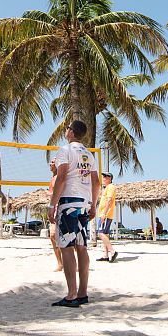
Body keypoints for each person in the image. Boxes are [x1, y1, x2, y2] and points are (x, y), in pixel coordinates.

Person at [48, 120, 99, 307]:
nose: (66, 130)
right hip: (84, 203)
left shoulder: (65, 150)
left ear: (71, 132)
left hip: (69, 201)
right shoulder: (89, 155)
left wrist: (52, 205)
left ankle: (71, 295)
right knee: (81, 247)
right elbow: (96, 183)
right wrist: (93, 205)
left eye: (68, 128)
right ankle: (83, 293)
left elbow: (61, 178)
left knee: (67, 247)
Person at [95, 172, 117, 262]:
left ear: (110, 178)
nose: (103, 178)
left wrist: (104, 213)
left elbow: (109, 200)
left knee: (101, 233)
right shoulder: (107, 188)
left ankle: (112, 251)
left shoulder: (111, 187)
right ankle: (105, 255)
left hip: (106, 215)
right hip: (105, 214)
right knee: (106, 234)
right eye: (103, 176)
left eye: (106, 176)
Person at [47, 158, 63, 272]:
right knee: (53, 236)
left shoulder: (59, 177)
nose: (50, 164)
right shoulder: (53, 178)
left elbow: (58, 193)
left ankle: (70, 262)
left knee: (62, 237)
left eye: (52, 162)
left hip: (60, 208)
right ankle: (60, 263)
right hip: (54, 208)